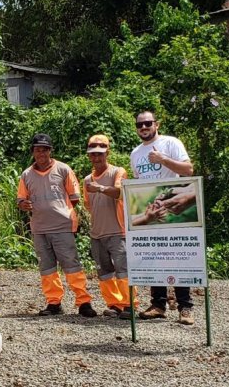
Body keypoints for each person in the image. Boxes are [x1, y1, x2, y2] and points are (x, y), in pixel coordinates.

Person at [17, 133, 97, 318]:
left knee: (71, 264)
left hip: (62, 226)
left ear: (50, 151)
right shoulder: (26, 175)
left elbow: (75, 198)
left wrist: (59, 211)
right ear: (33, 152)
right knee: (47, 268)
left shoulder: (63, 169)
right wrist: (23, 204)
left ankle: (83, 302)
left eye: (45, 149)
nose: (41, 153)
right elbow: (21, 199)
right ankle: (54, 303)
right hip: (39, 227)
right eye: (38, 149)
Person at [129, 110, 195, 325]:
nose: (144, 128)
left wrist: (163, 160)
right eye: (140, 125)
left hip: (174, 209)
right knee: (153, 257)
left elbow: (188, 169)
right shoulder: (135, 154)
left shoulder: (171, 143)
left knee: (177, 258)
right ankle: (158, 304)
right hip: (152, 211)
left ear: (156, 124)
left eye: (148, 123)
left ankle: (185, 307)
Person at [82, 134, 137, 318]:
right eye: (93, 154)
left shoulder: (117, 172)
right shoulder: (87, 179)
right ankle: (114, 304)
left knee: (123, 270)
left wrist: (100, 188)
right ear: (89, 155)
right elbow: (88, 204)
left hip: (117, 230)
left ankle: (129, 304)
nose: (96, 157)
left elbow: (120, 193)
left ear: (107, 153)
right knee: (104, 272)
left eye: (100, 153)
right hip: (97, 233)